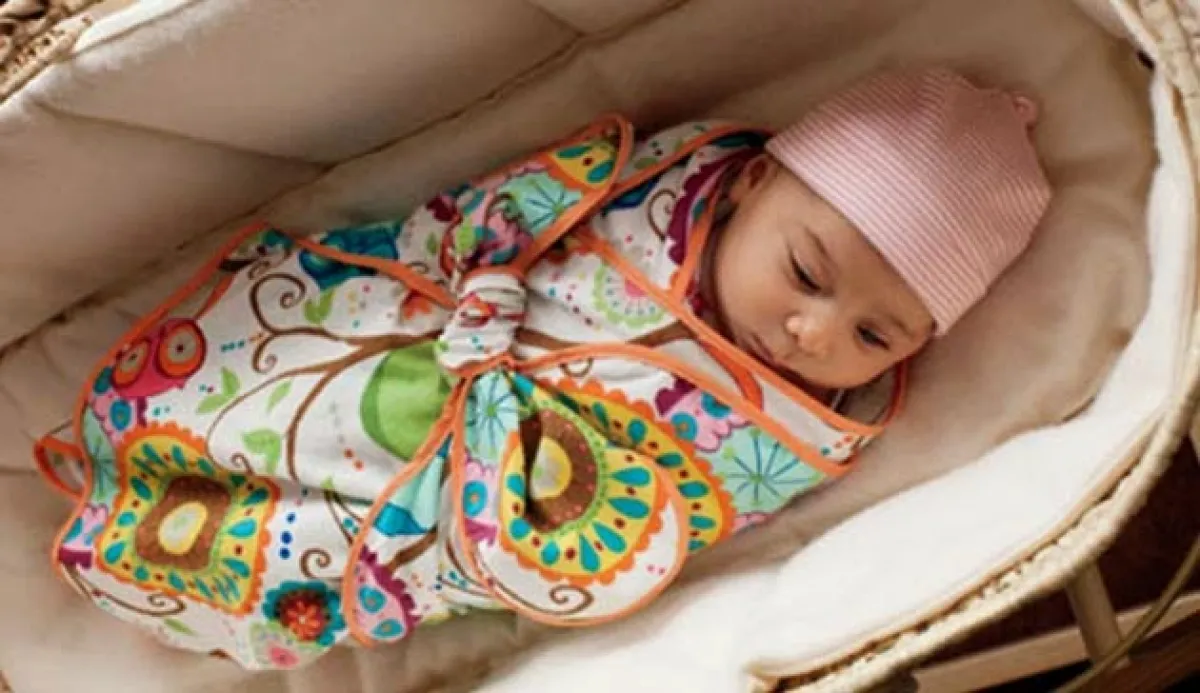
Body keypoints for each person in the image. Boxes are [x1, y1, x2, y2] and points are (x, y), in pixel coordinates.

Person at [34, 67, 1051, 669]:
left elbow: (633, 536)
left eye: (876, 337)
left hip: (483, 504)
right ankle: (134, 438)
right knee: (274, 375)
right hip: (417, 339)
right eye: (807, 274)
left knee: (305, 548)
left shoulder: (787, 436)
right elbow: (494, 219)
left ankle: (145, 555)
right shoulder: (646, 196)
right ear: (751, 183)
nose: (812, 335)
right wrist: (476, 299)